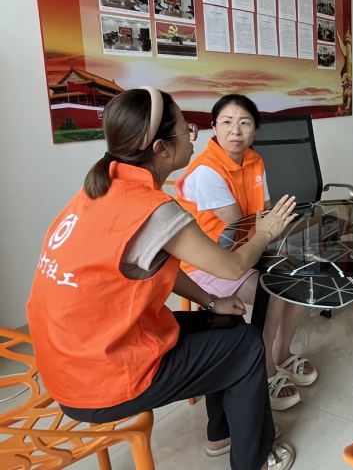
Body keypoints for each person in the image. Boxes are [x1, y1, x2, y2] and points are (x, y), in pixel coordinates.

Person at [26, 87, 297, 470]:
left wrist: (212, 302)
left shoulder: (100, 189)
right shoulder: (153, 209)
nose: (193, 136)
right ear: (161, 149)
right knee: (248, 345)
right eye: (187, 129)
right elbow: (234, 267)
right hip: (100, 377)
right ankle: (254, 459)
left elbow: (156, 265)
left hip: (70, 362)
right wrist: (267, 232)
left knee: (225, 323)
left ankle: (221, 433)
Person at [175, 94, 317, 412]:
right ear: (214, 127)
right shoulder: (207, 171)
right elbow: (239, 229)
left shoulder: (254, 160)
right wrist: (273, 235)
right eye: (226, 122)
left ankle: (282, 352)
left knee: (301, 277)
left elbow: (263, 214)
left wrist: (282, 240)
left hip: (249, 250)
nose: (235, 131)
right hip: (209, 262)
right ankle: (265, 368)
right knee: (278, 288)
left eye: (244, 123)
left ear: (255, 129)